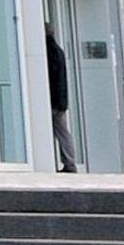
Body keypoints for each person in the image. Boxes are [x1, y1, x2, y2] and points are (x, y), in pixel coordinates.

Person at [43, 25, 78, 172]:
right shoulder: (57, 50)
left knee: (61, 132)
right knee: (62, 131)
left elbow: (51, 77)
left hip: (54, 100)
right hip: (59, 99)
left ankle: (69, 163)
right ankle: (68, 162)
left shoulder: (49, 52)